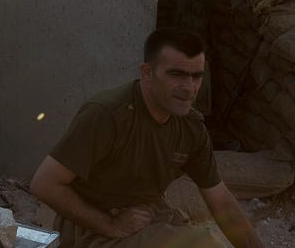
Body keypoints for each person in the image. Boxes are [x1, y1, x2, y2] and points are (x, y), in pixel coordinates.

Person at [29, 27, 262, 247]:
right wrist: (110, 225)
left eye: (196, 76)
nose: (189, 88)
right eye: (177, 75)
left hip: (149, 216)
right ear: (147, 72)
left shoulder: (191, 128)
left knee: (206, 241)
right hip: (94, 229)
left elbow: (220, 199)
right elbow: (44, 184)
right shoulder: (108, 115)